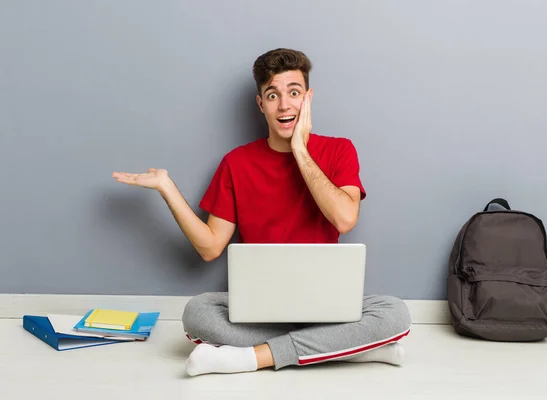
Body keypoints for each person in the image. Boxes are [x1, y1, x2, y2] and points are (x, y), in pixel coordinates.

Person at [112, 48, 412, 376]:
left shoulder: (339, 149)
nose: (284, 105)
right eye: (273, 95)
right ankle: (344, 349)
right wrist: (166, 188)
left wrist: (299, 148)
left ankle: (251, 358)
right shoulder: (236, 163)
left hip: (326, 307)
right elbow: (210, 247)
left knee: (395, 313)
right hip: (261, 311)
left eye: (294, 93)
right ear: (261, 104)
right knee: (197, 313)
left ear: (308, 99)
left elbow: (344, 218)